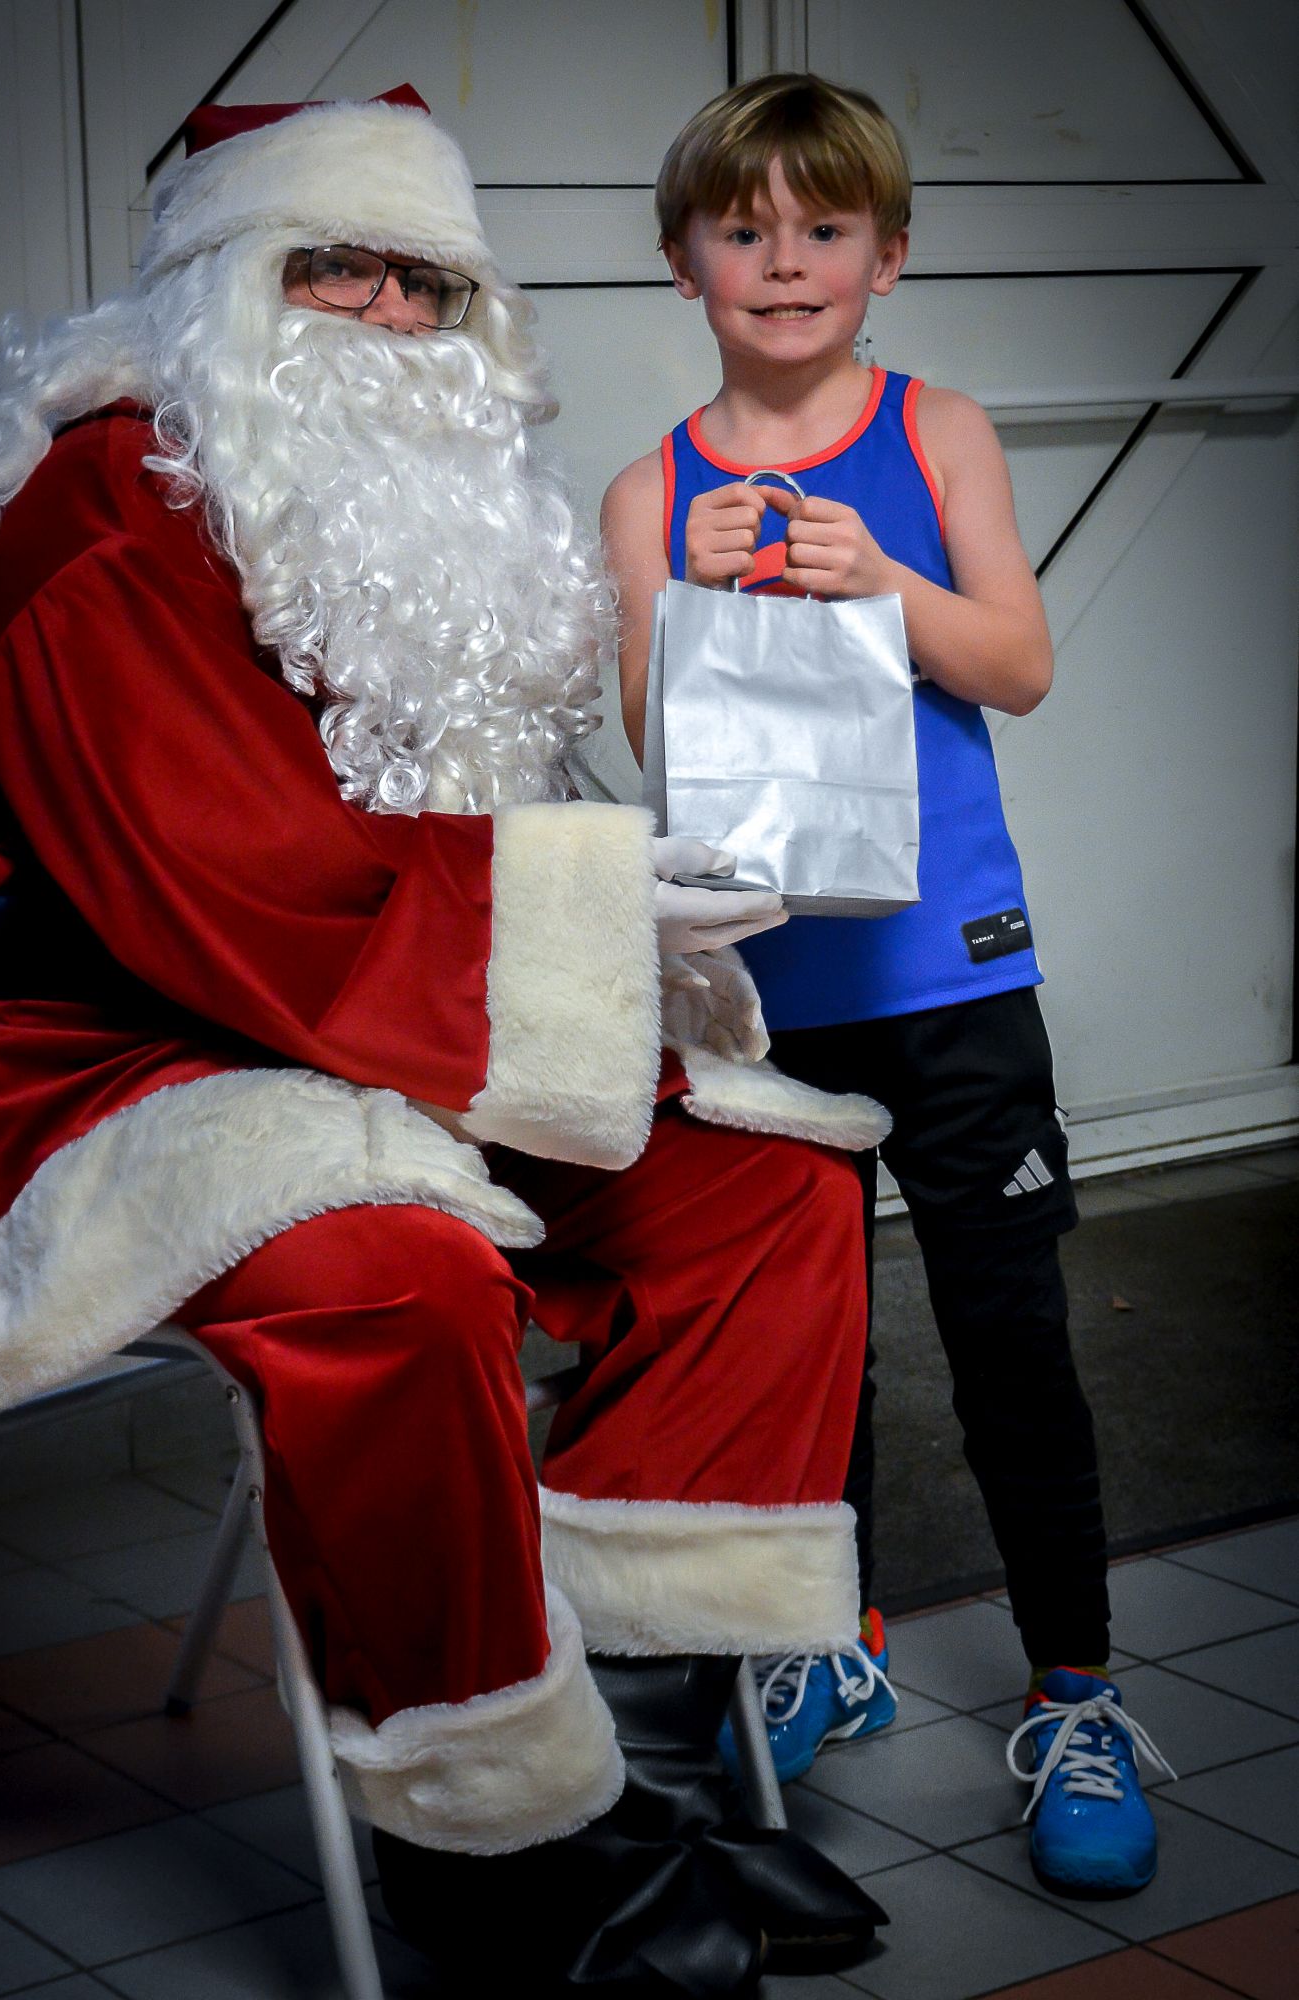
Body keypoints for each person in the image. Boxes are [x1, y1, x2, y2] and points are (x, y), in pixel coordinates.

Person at [0, 87, 896, 1994]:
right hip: (122, 1051)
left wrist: (622, 889)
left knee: (769, 1194)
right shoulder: (96, 501)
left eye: (429, 282)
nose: (391, 317)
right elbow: (208, 868)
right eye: (334, 268)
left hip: (391, 1012)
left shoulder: (422, 509)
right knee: (393, 1275)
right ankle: (487, 1841)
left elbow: (433, 833)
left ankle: (641, 1783)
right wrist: (580, 908)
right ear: (214, 281)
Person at [602, 71, 1173, 1899]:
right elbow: (651, 756)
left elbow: (1016, 665)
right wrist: (694, 604)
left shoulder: (937, 432)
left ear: (887, 257)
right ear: (682, 261)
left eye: (824, 230)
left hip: (950, 978)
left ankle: (1075, 1696)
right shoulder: (647, 490)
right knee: (803, 1348)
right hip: (760, 998)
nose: (785, 264)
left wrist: (880, 582)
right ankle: (829, 1646)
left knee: (1009, 1342)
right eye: (743, 230)